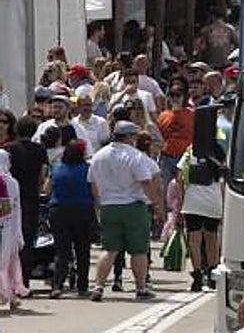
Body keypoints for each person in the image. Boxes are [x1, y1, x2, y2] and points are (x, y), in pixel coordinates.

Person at [87, 119, 164, 301]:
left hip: (108, 206)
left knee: (109, 249)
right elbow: (146, 182)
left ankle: (98, 287)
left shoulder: (99, 155)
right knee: (138, 250)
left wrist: (98, 205)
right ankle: (141, 288)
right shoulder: (135, 156)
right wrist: (157, 204)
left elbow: (93, 184)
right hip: (133, 206)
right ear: (130, 137)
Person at [48, 140, 95, 298]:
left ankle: (57, 285)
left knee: (62, 251)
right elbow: (94, 190)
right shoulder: (87, 169)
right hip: (83, 209)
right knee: (83, 250)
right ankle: (83, 286)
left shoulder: (56, 169)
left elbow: (47, 188)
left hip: (59, 210)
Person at [4, 115, 47, 288]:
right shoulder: (40, 150)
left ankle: (8, 281)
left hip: (10, 198)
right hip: (31, 198)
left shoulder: (8, 149)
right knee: (28, 240)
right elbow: (42, 176)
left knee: (8, 239)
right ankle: (24, 281)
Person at [179, 146, 223, 292]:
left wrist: (180, 199)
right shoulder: (219, 152)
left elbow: (179, 175)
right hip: (213, 200)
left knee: (194, 239)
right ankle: (212, 274)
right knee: (212, 239)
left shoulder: (190, 151)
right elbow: (224, 181)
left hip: (192, 201)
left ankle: (197, 275)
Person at [0, 152, 27, 309]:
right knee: (10, 261)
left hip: (7, 225)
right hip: (9, 226)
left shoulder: (7, 182)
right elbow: (13, 208)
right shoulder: (10, 182)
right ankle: (10, 293)